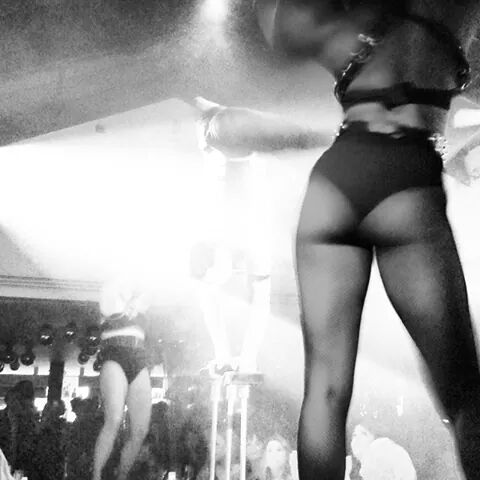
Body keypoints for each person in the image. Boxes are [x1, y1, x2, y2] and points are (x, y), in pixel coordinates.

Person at [196, 0, 480, 478]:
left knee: (325, 390)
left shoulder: (355, 27)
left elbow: (282, 26)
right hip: (405, 177)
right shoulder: (446, 12)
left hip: (334, 185)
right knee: (465, 392)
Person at [92, 280, 152, 480]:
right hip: (114, 354)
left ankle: (122, 476)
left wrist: (135, 297)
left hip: (138, 357)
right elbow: (108, 307)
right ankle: (96, 476)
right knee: (114, 419)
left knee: (140, 430)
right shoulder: (110, 288)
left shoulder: (140, 292)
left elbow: (146, 300)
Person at [346, 424, 416, 480]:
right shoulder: (365, 465)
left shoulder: (379, 448)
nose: (357, 438)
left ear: (374, 437)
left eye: (364, 434)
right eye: (354, 435)